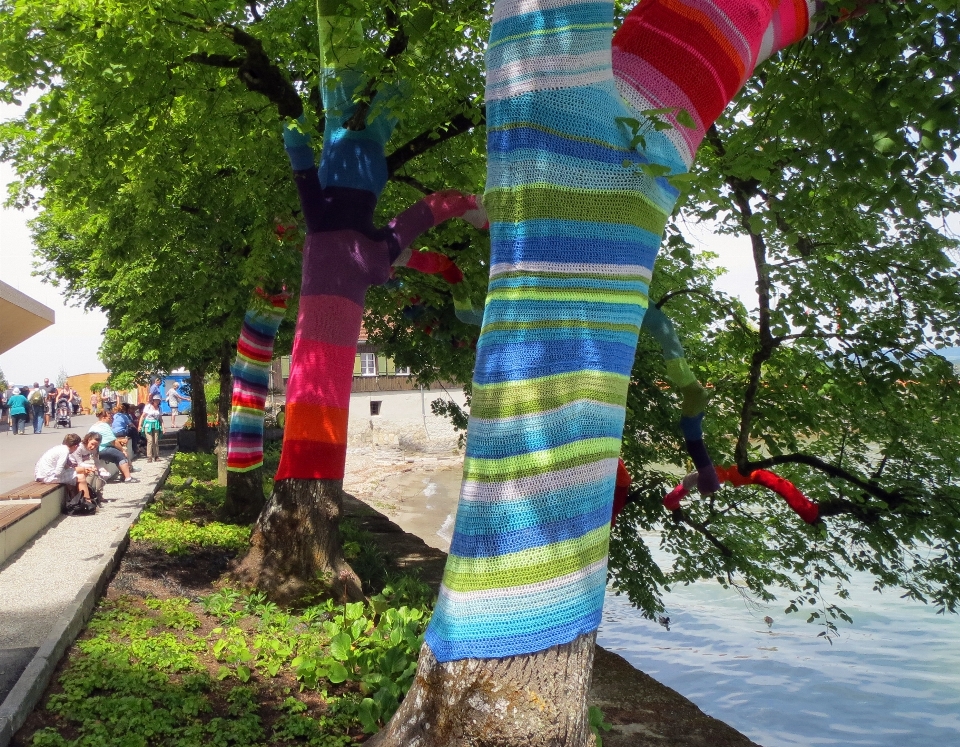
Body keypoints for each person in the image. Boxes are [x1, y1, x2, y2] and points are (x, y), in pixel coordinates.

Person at [35, 433, 94, 503]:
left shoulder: (59, 448)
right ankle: (87, 503)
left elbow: (66, 466)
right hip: (48, 477)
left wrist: (76, 471)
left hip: (41, 474)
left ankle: (75, 498)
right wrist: (74, 472)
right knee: (81, 477)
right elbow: (58, 472)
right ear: (75, 446)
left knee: (80, 471)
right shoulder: (64, 451)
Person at [87, 411, 139, 482]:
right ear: (103, 418)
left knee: (116, 457)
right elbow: (113, 441)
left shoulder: (94, 426)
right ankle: (128, 478)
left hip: (98, 449)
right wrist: (123, 450)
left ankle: (124, 475)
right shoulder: (104, 425)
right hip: (102, 449)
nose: (112, 419)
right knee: (121, 456)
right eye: (110, 417)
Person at [139, 394, 164, 462]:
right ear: (153, 400)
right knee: (150, 441)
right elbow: (143, 416)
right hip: (148, 424)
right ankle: (149, 457)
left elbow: (160, 419)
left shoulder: (159, 408)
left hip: (156, 425)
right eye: (156, 400)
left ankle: (156, 456)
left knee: (155, 441)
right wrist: (140, 425)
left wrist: (163, 427)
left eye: (158, 400)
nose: (157, 401)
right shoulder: (148, 407)